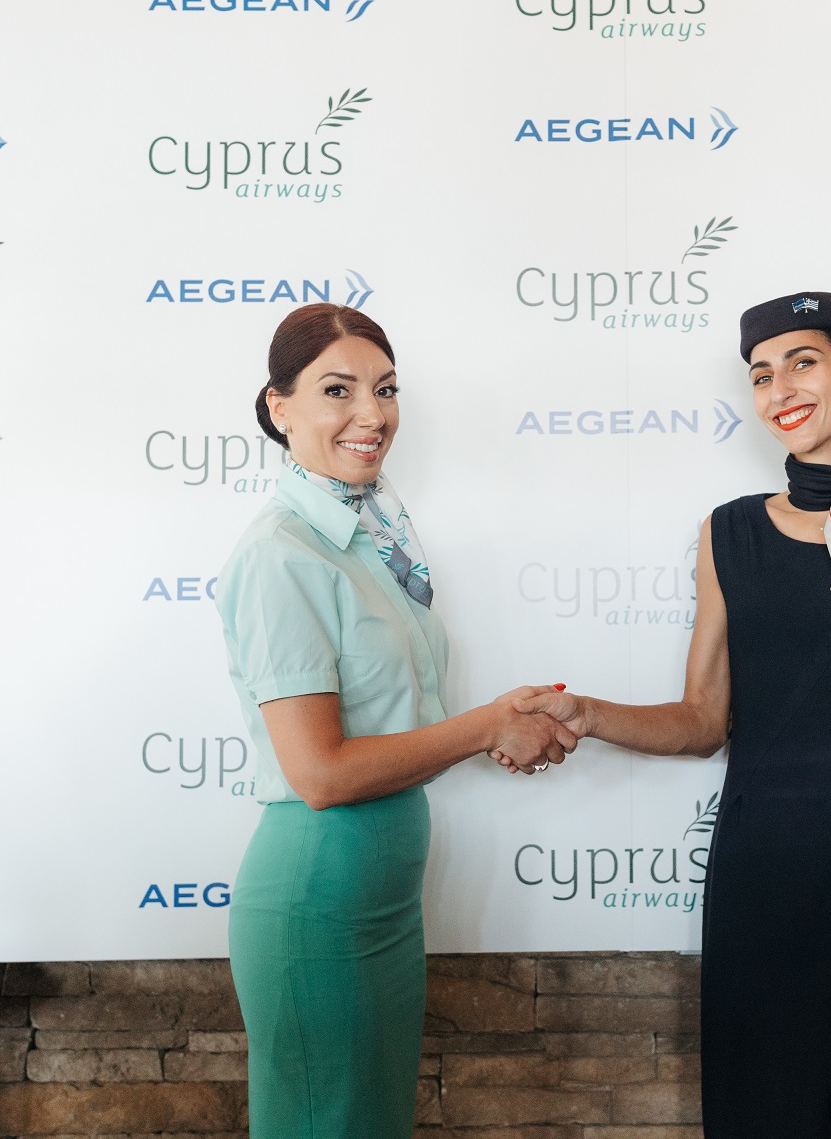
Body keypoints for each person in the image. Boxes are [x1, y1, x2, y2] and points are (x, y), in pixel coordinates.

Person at [505, 292, 831, 1139]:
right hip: (756, 879)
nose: (779, 389)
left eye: (803, 363)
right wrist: (587, 713)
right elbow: (702, 721)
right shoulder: (727, 536)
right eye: (761, 375)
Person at [214, 302, 574, 1139]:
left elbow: (397, 733)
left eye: (385, 389)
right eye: (337, 390)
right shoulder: (281, 554)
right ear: (279, 407)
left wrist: (507, 723)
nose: (371, 415)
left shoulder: (372, 536)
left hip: (380, 901)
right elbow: (321, 773)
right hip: (319, 900)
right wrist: (487, 725)